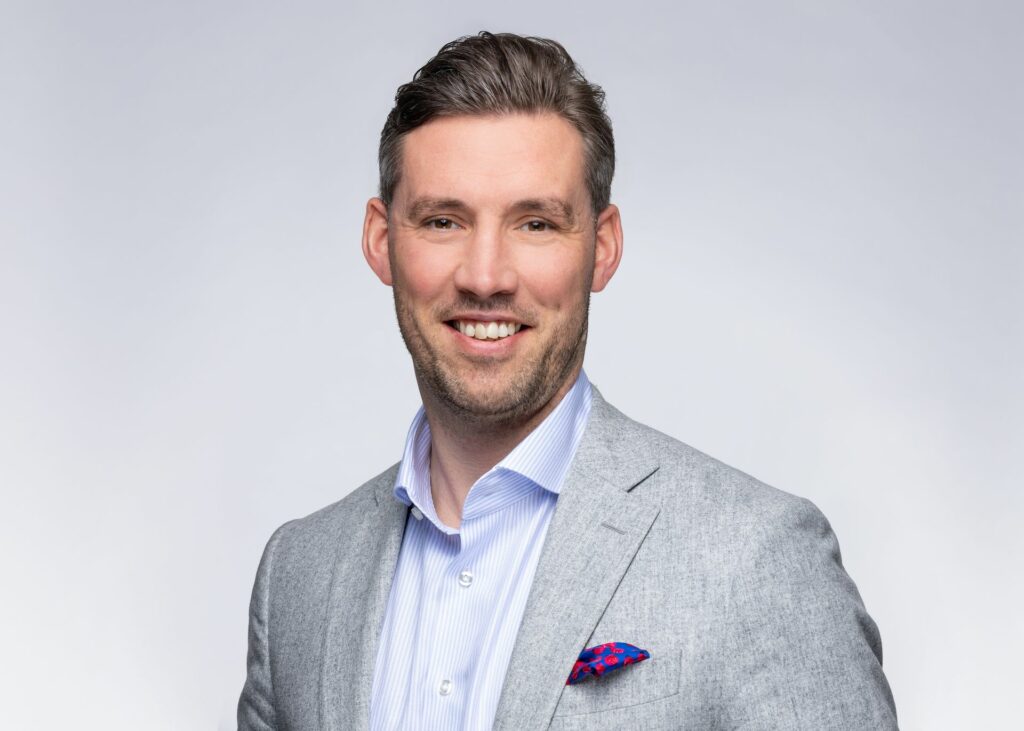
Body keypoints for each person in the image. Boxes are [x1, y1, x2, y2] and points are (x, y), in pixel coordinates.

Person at [237, 32, 897, 731]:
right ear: (381, 240)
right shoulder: (298, 575)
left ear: (602, 248)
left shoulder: (756, 557)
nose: (485, 276)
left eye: (535, 224)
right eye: (443, 220)